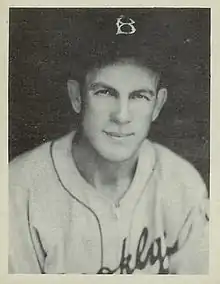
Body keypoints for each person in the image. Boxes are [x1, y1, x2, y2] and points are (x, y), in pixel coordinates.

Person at [9, 42, 209, 274]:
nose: (122, 116)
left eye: (139, 96)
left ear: (158, 105)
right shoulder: (18, 187)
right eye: (105, 92)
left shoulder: (183, 183)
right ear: (77, 97)